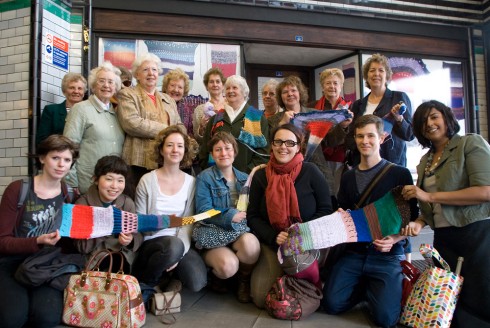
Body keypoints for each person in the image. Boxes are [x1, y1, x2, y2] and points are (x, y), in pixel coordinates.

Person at [322, 115, 418, 328]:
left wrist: (394, 239)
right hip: (355, 253)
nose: (365, 141)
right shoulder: (347, 177)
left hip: (387, 256)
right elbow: (344, 212)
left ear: (382, 138)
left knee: (386, 320)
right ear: (354, 139)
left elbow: (411, 218)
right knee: (332, 304)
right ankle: (368, 287)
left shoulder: (399, 174)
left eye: (370, 136)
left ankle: (377, 288)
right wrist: (340, 217)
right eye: (360, 136)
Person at [401, 100, 490, 328]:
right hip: (443, 238)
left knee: (478, 296)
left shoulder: (469, 144)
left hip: (475, 232)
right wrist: (420, 221)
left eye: (434, 117)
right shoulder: (425, 161)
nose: (429, 124)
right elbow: (431, 207)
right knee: (448, 301)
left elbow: (485, 191)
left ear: (446, 118)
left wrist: (429, 196)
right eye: (422, 122)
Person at [247, 123, 333, 308]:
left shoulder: (311, 172)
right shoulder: (261, 176)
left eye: (289, 142)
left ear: (298, 147)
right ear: (271, 145)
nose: (283, 147)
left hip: (308, 241)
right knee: (261, 298)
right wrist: (273, 236)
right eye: (278, 141)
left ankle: (310, 283)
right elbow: (252, 215)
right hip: (274, 243)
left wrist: (300, 231)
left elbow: (326, 209)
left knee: (296, 273)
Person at [0, 135, 80, 328]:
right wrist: (37, 241)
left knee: (47, 318)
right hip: (12, 263)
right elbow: (2, 241)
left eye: (67, 160)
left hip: (46, 265)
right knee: (12, 319)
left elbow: (70, 239)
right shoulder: (18, 189)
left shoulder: (69, 194)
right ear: (42, 158)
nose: (61, 164)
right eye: (55, 158)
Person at [133, 125, 207, 292]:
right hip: (151, 244)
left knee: (197, 282)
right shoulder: (147, 180)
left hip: (179, 242)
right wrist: (164, 223)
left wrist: (178, 253)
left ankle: (166, 278)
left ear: (185, 151)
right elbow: (140, 221)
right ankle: (146, 287)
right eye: (169, 145)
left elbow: (188, 223)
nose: (175, 150)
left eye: (180, 146)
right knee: (172, 246)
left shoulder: (192, 183)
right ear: (161, 149)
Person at [195, 132, 260, 302]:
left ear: (235, 151)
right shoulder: (205, 177)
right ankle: (217, 276)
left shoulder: (245, 178)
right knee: (227, 267)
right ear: (212, 153)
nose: (223, 153)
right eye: (218, 149)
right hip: (213, 231)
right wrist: (230, 215)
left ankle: (243, 281)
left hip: (238, 232)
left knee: (251, 245)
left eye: (227, 148)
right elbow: (203, 210)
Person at [269, 75, 350, 204]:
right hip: (286, 175)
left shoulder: (315, 114)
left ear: (300, 93)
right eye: (285, 92)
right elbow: (269, 144)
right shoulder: (273, 119)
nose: (290, 94)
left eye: (293, 90)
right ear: (281, 97)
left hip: (317, 171)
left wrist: (343, 126)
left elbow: (331, 141)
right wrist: (282, 124)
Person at [117, 53, 181, 186]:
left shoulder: (168, 99)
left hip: (165, 160)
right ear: (137, 75)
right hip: (137, 161)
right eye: (145, 70)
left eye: (154, 70)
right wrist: (168, 130)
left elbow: (179, 125)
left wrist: (179, 133)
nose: (151, 73)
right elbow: (132, 123)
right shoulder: (127, 94)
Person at [63, 61, 125, 194]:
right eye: (101, 81)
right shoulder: (80, 109)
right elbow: (68, 147)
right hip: (87, 184)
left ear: (116, 87)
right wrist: (72, 182)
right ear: (93, 85)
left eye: (111, 82)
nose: (106, 85)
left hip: (111, 189)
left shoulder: (117, 113)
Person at [73, 155, 142, 273]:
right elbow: (81, 247)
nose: (115, 186)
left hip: (121, 261)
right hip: (93, 262)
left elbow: (138, 235)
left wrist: (130, 240)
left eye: (120, 180)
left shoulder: (127, 203)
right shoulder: (82, 204)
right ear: (96, 179)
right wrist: (105, 226)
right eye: (109, 179)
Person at [347, 53, 414, 167]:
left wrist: (399, 119)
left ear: (387, 75)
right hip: (362, 165)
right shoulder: (358, 105)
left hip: (392, 165)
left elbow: (409, 135)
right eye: (372, 70)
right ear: (367, 76)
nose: (376, 74)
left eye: (381, 70)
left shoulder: (399, 98)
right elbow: (350, 140)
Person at [199, 75, 269, 173]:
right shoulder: (215, 119)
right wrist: (211, 173)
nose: (230, 91)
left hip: (247, 179)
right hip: (216, 179)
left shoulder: (258, 117)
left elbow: (263, 154)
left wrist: (245, 174)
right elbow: (205, 151)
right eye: (227, 88)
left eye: (234, 87)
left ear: (244, 92)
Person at [314, 68, 353, 208]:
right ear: (322, 86)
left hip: (341, 161)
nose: (332, 86)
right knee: (321, 196)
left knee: (338, 196)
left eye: (336, 83)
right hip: (318, 158)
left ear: (341, 86)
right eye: (328, 83)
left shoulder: (350, 108)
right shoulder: (313, 108)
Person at [36, 73, 87, 144]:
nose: (76, 91)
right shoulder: (51, 111)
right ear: (64, 91)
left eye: (80, 88)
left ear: (84, 92)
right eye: (72, 88)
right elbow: (42, 140)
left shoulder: (90, 112)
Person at [193, 67, 227, 144]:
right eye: (211, 82)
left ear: (223, 85)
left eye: (218, 81)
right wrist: (201, 127)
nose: (215, 84)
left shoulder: (231, 105)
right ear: (206, 86)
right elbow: (197, 139)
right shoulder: (199, 110)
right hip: (210, 150)